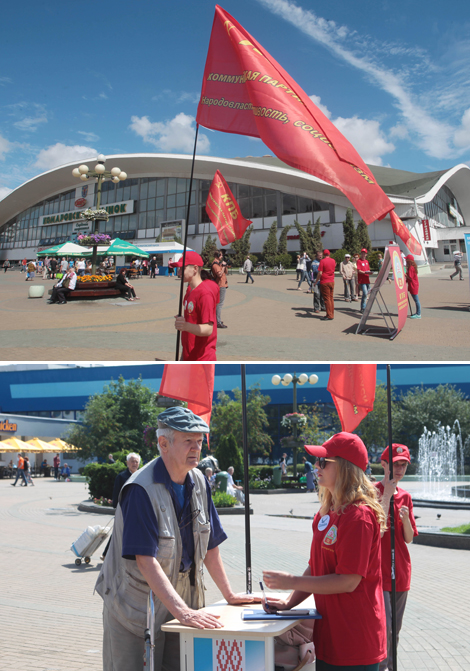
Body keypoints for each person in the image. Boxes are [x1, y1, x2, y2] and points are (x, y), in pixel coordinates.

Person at [95, 406, 258, 671]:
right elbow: (146, 560)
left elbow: (210, 544)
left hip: (181, 602)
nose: (196, 448)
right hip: (135, 608)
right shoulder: (140, 489)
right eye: (188, 441)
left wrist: (229, 594)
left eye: (199, 442)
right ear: (163, 443)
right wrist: (183, 612)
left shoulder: (199, 481)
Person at [263, 432, 387, 671]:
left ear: (345, 468)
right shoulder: (328, 512)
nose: (316, 467)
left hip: (356, 641)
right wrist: (289, 602)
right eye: (317, 462)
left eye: (323, 462)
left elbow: (348, 581)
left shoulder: (358, 516)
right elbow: (316, 566)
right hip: (332, 635)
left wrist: (291, 581)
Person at [376, 444, 418, 671]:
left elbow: (409, 538)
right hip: (378, 572)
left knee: (395, 630)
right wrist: (387, 496)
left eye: (403, 464)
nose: (400, 469)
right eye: (395, 464)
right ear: (384, 465)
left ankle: (392, 667)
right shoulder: (371, 492)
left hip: (400, 572)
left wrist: (405, 522)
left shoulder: (406, 497)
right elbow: (376, 532)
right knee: (385, 628)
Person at [172, 251, 218, 361]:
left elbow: (208, 329)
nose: (178, 272)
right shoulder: (190, 291)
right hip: (189, 354)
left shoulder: (204, 294)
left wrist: (185, 326)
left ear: (195, 269)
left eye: (182, 269)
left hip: (202, 358)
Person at [101, 453, 142, 561]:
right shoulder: (121, 476)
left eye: (136, 461)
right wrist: (116, 506)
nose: (134, 463)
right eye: (132, 461)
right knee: (118, 531)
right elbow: (116, 492)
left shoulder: (142, 475)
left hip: (138, 509)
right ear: (127, 463)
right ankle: (105, 554)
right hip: (124, 509)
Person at [314, 249, 336, 320]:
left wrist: (316, 281)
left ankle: (329, 315)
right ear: (329, 254)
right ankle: (331, 313)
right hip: (332, 281)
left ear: (323, 254)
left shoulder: (322, 261)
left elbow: (320, 272)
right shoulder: (333, 260)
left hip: (325, 281)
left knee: (326, 299)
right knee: (331, 298)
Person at [211, 250, 228, 329]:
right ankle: (217, 321)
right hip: (220, 285)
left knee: (219, 303)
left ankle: (217, 320)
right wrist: (223, 266)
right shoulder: (215, 264)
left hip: (223, 284)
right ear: (217, 255)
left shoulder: (219, 264)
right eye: (220, 255)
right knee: (219, 304)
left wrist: (224, 266)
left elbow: (225, 272)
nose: (221, 257)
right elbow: (219, 274)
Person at [405, 255, 421, 319]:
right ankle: (417, 313)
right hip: (413, 285)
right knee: (416, 300)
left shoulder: (411, 267)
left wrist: (405, 275)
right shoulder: (411, 267)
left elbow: (410, 277)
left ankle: (418, 314)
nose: (405, 261)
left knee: (416, 300)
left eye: (406, 259)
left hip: (413, 285)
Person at [357, 248, 371, 314]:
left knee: (368, 293)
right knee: (365, 293)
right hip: (362, 280)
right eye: (362, 253)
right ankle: (363, 308)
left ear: (366, 254)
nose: (363, 254)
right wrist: (365, 272)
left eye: (364, 253)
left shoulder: (367, 261)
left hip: (367, 280)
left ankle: (365, 306)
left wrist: (370, 272)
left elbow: (368, 270)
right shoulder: (359, 261)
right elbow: (359, 271)